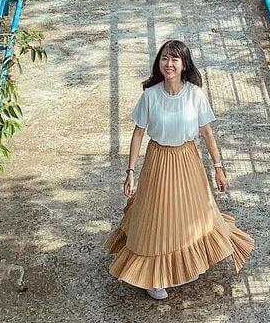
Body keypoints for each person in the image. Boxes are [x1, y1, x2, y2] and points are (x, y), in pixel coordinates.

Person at [104, 39, 254, 300]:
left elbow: (206, 132)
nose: (168, 64)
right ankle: (154, 276)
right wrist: (130, 171)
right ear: (158, 62)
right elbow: (138, 134)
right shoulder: (150, 96)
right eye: (164, 58)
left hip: (188, 158)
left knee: (188, 212)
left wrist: (218, 167)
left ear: (184, 64)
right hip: (159, 159)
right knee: (158, 215)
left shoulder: (195, 94)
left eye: (174, 59)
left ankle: (186, 264)